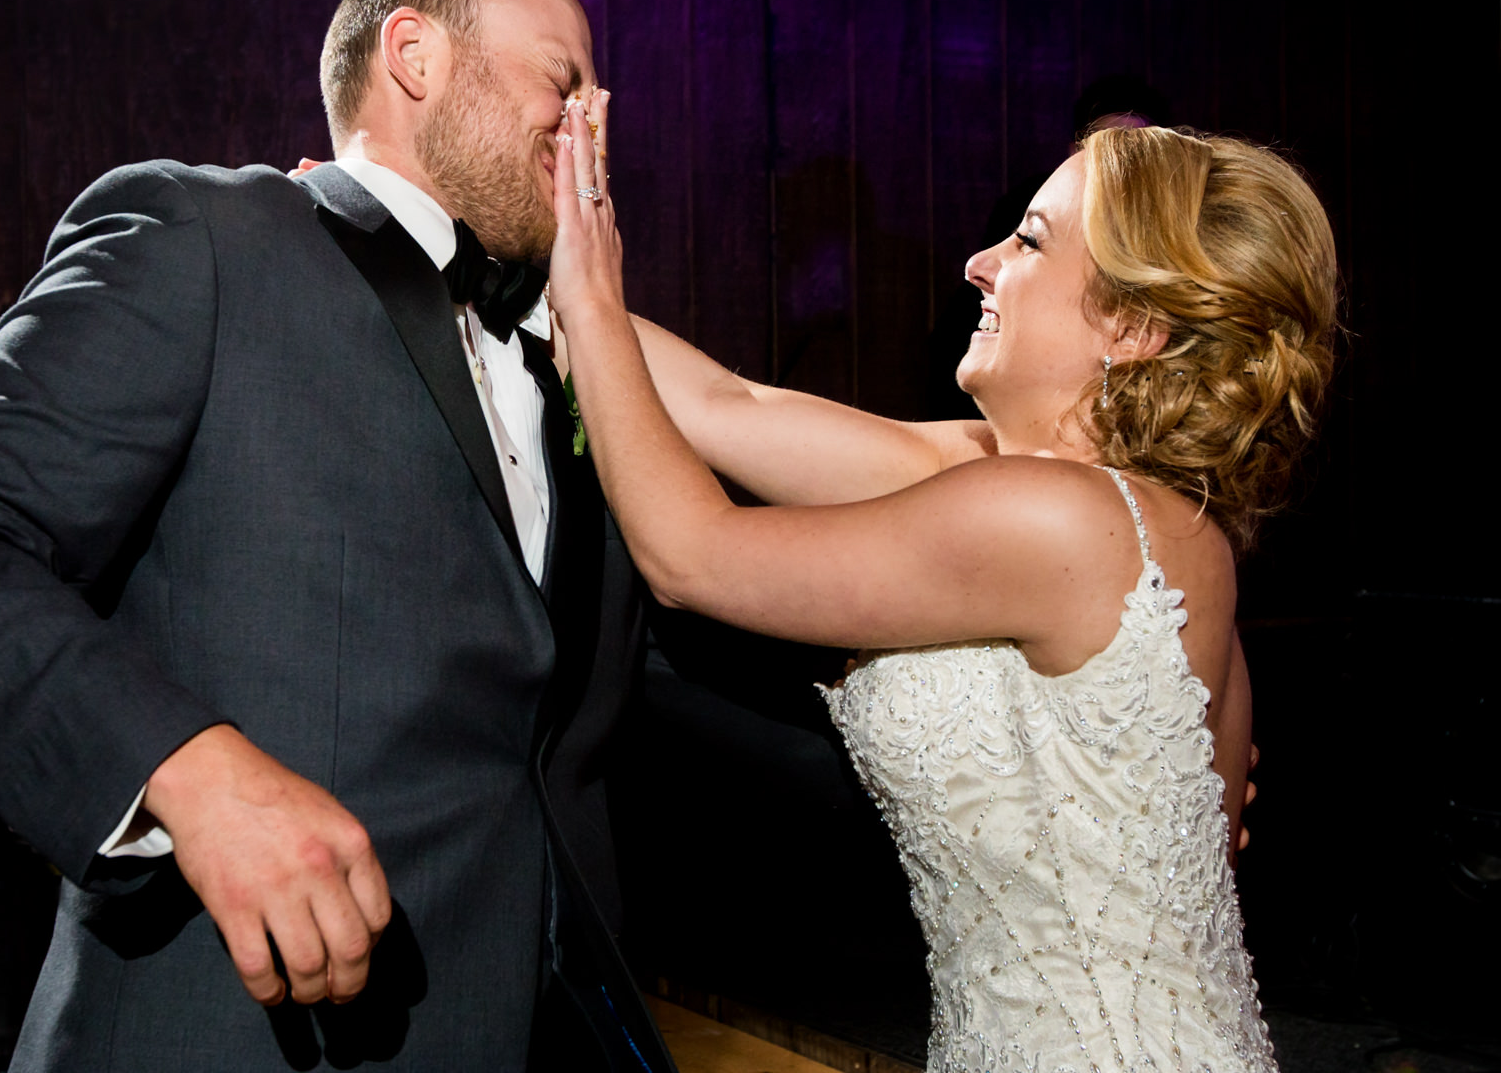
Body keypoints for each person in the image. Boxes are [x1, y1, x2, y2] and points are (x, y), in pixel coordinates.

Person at [0, 0, 673, 1073]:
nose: (591, 133)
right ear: (415, 56)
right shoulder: (207, 239)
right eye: (564, 83)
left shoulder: (583, 352)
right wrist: (184, 768)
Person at [546, 98, 1336, 1070]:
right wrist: (522, 267)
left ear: (1130, 325)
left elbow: (692, 556)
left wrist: (586, 294)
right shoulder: (1081, 506)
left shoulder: (1059, 523)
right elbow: (727, 404)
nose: (980, 262)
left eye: (1030, 243)